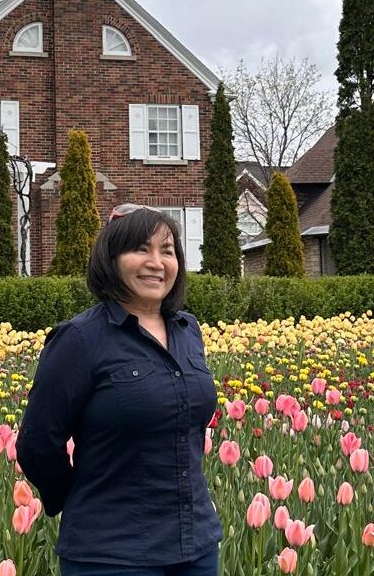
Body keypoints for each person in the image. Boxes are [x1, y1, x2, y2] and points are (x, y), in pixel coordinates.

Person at [16, 204, 223, 576]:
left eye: (167, 250)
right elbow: (37, 442)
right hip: (110, 551)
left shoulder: (187, 330)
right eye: (140, 249)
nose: (156, 262)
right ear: (111, 259)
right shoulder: (80, 340)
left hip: (195, 546)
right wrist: (77, 496)